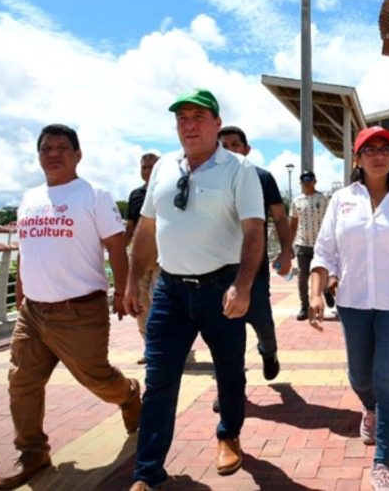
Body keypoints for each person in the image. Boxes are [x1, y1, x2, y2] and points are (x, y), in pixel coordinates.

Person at [125, 89, 265, 489]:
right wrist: (133, 280)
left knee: (229, 371)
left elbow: (254, 230)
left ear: (217, 124)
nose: (189, 124)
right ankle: (147, 473)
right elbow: (149, 227)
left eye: (198, 117)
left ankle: (229, 434)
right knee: (160, 380)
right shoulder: (165, 167)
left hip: (221, 287)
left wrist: (242, 285)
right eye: (182, 118)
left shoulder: (238, 169)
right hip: (170, 291)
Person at [0, 124, 141, 489]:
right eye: (46, 148)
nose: (54, 153)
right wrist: (20, 293)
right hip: (34, 312)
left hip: (79, 310)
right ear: (38, 155)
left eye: (62, 147)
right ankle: (32, 454)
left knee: (96, 379)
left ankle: (128, 395)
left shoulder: (93, 194)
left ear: (78, 155)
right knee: (21, 383)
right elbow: (25, 251)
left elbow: (115, 244)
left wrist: (124, 289)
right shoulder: (29, 198)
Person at [309, 126, 389, 491]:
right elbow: (324, 251)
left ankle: (382, 461)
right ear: (357, 158)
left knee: (387, 378)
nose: (378, 155)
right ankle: (370, 408)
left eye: (385, 149)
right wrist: (317, 291)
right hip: (353, 302)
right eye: (370, 149)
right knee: (360, 377)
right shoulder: (341, 200)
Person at [218, 125, 293, 383]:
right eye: (223, 146)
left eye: (234, 145)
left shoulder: (262, 177)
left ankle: (268, 352)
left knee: (262, 322)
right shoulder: (208, 179)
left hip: (254, 270)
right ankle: (229, 388)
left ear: (246, 149)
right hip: (217, 272)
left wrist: (286, 251)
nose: (229, 150)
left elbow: (280, 218)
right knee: (224, 333)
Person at [126, 152, 161, 364]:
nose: (147, 171)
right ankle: (150, 348)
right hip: (139, 258)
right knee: (141, 306)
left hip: (163, 259)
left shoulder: (169, 191)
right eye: (144, 167)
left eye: (151, 166)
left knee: (161, 304)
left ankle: (170, 347)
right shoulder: (136, 195)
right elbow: (130, 227)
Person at [290, 170, 332, 320]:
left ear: (315, 181)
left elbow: (331, 220)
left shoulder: (324, 199)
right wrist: (289, 244)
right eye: (304, 180)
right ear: (300, 182)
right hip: (302, 245)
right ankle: (304, 306)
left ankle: (326, 290)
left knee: (323, 274)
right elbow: (293, 224)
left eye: (310, 179)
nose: (307, 182)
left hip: (320, 245)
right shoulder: (296, 201)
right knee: (302, 277)